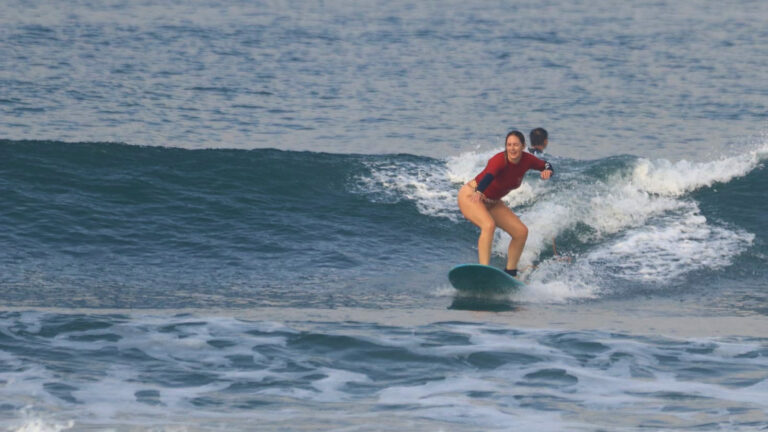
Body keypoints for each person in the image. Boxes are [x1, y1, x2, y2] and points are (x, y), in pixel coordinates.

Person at [457, 131, 553, 278]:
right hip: (471, 195)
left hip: (493, 203)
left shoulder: (527, 160)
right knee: (488, 225)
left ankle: (511, 272)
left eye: (515, 145)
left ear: (523, 146)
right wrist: (480, 190)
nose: (512, 148)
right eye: (509, 145)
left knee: (521, 232)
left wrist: (548, 171)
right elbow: (489, 175)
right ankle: (484, 271)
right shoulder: (499, 160)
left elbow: (546, 164)